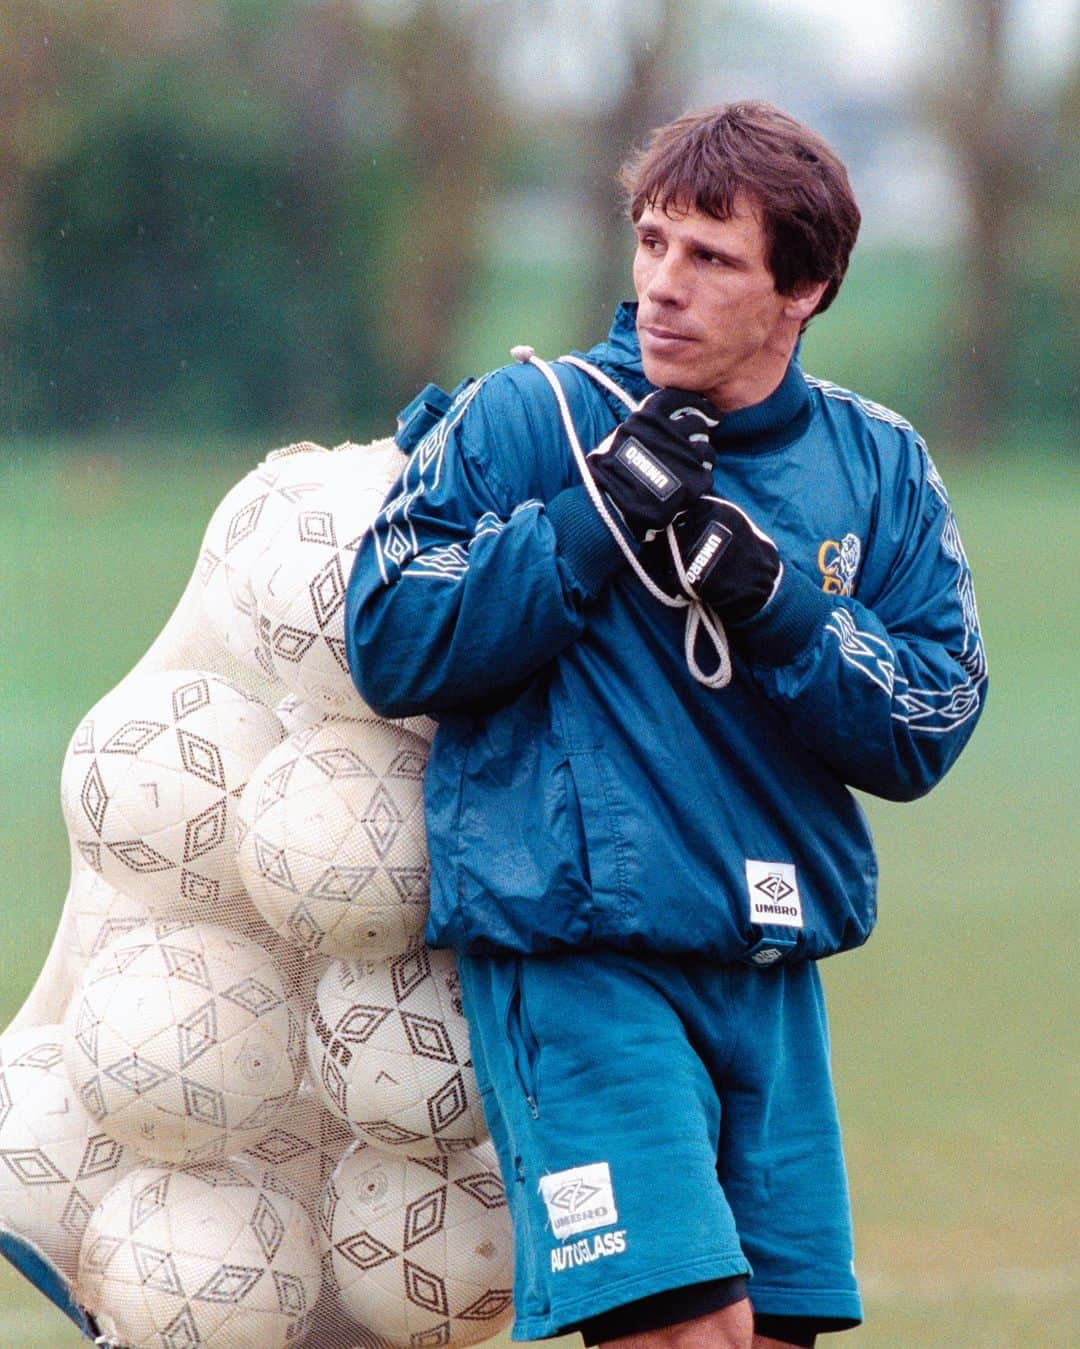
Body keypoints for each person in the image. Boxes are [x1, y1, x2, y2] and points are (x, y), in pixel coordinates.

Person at [344, 101, 986, 1348]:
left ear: (805, 287)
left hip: (770, 969)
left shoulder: (881, 465)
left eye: (712, 258)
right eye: (651, 243)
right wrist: (591, 525)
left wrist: (782, 606)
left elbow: (933, 717)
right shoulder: (532, 418)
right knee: (691, 1332)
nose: (662, 287)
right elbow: (392, 637)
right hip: (579, 955)